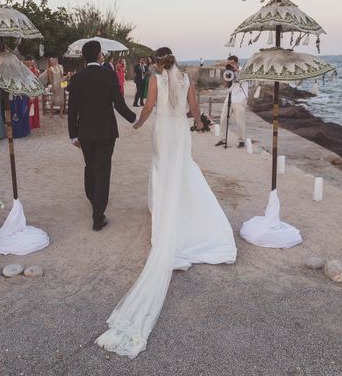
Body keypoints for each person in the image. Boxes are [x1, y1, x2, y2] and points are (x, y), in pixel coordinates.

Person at [96, 47, 237, 358]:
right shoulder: (186, 79)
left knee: (163, 173)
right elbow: (194, 107)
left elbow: (147, 108)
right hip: (179, 132)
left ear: (158, 63)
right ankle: (198, 220)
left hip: (162, 130)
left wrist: (137, 123)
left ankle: (165, 217)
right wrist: (199, 123)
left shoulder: (157, 79)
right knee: (183, 170)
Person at [67, 40, 136, 231]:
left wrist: (73, 135)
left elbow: (72, 110)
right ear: (99, 55)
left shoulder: (76, 78)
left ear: (84, 57)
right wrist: (134, 120)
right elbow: (119, 104)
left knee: (90, 166)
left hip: (85, 132)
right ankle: (98, 216)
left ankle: (93, 199)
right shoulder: (109, 75)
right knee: (103, 170)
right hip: (106, 131)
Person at [215, 55, 249, 148]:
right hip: (230, 97)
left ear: (237, 63)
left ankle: (241, 140)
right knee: (223, 119)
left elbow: (247, 77)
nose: (231, 65)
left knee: (239, 121)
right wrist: (227, 75)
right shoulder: (228, 71)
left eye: (232, 63)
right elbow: (225, 86)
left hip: (240, 98)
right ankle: (223, 139)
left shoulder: (243, 70)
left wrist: (236, 70)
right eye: (229, 63)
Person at [24, 57, 40, 129]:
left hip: (34, 89)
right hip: (28, 88)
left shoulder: (34, 69)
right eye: (28, 60)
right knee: (29, 105)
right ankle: (30, 123)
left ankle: (35, 122)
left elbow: (36, 79)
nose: (30, 62)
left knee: (35, 106)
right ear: (25, 61)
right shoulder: (24, 69)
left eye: (31, 60)